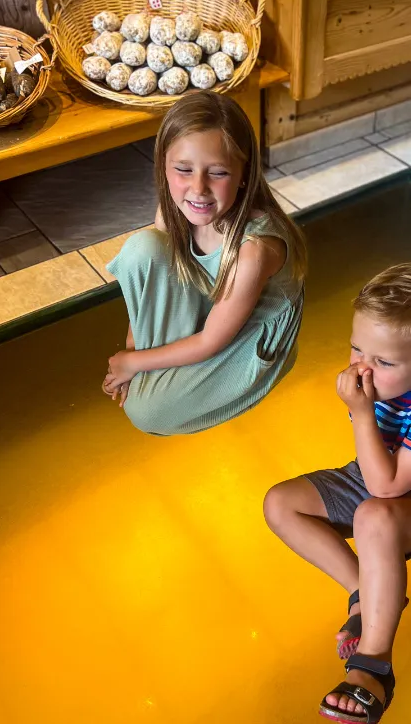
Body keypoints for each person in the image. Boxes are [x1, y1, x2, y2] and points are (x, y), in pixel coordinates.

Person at [102, 91, 307, 435]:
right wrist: (131, 353)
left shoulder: (254, 251)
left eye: (218, 173)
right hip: (211, 302)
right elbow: (151, 287)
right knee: (143, 248)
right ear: (163, 166)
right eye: (183, 169)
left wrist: (133, 363)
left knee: (145, 411)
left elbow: (210, 341)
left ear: (244, 173)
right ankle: (157, 368)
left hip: (245, 338)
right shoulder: (175, 210)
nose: (198, 189)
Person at [263, 264, 411, 723]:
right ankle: (362, 594)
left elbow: (388, 487)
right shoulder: (380, 382)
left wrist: (362, 414)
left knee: (373, 516)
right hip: (376, 479)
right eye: (357, 349)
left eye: (384, 362)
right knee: (280, 503)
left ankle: (373, 666)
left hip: (393, 489)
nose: (363, 367)